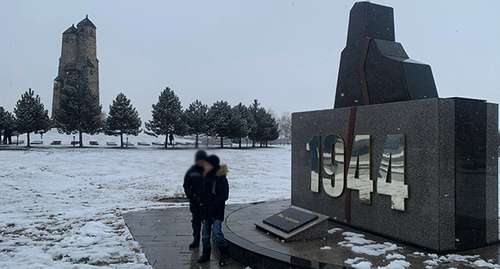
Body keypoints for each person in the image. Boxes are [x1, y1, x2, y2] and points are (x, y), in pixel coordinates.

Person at [197, 155, 230, 266]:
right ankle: (206, 253)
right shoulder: (205, 177)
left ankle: (224, 252)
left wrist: (214, 205)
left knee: (217, 233)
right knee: (205, 233)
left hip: (216, 210)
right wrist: (200, 203)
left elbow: (224, 195)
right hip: (205, 210)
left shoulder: (221, 178)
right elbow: (200, 192)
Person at [183, 150, 207, 248]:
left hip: (206, 202)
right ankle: (196, 239)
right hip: (194, 201)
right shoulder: (192, 171)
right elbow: (186, 184)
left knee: (206, 222)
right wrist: (191, 196)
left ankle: (207, 240)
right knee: (196, 222)